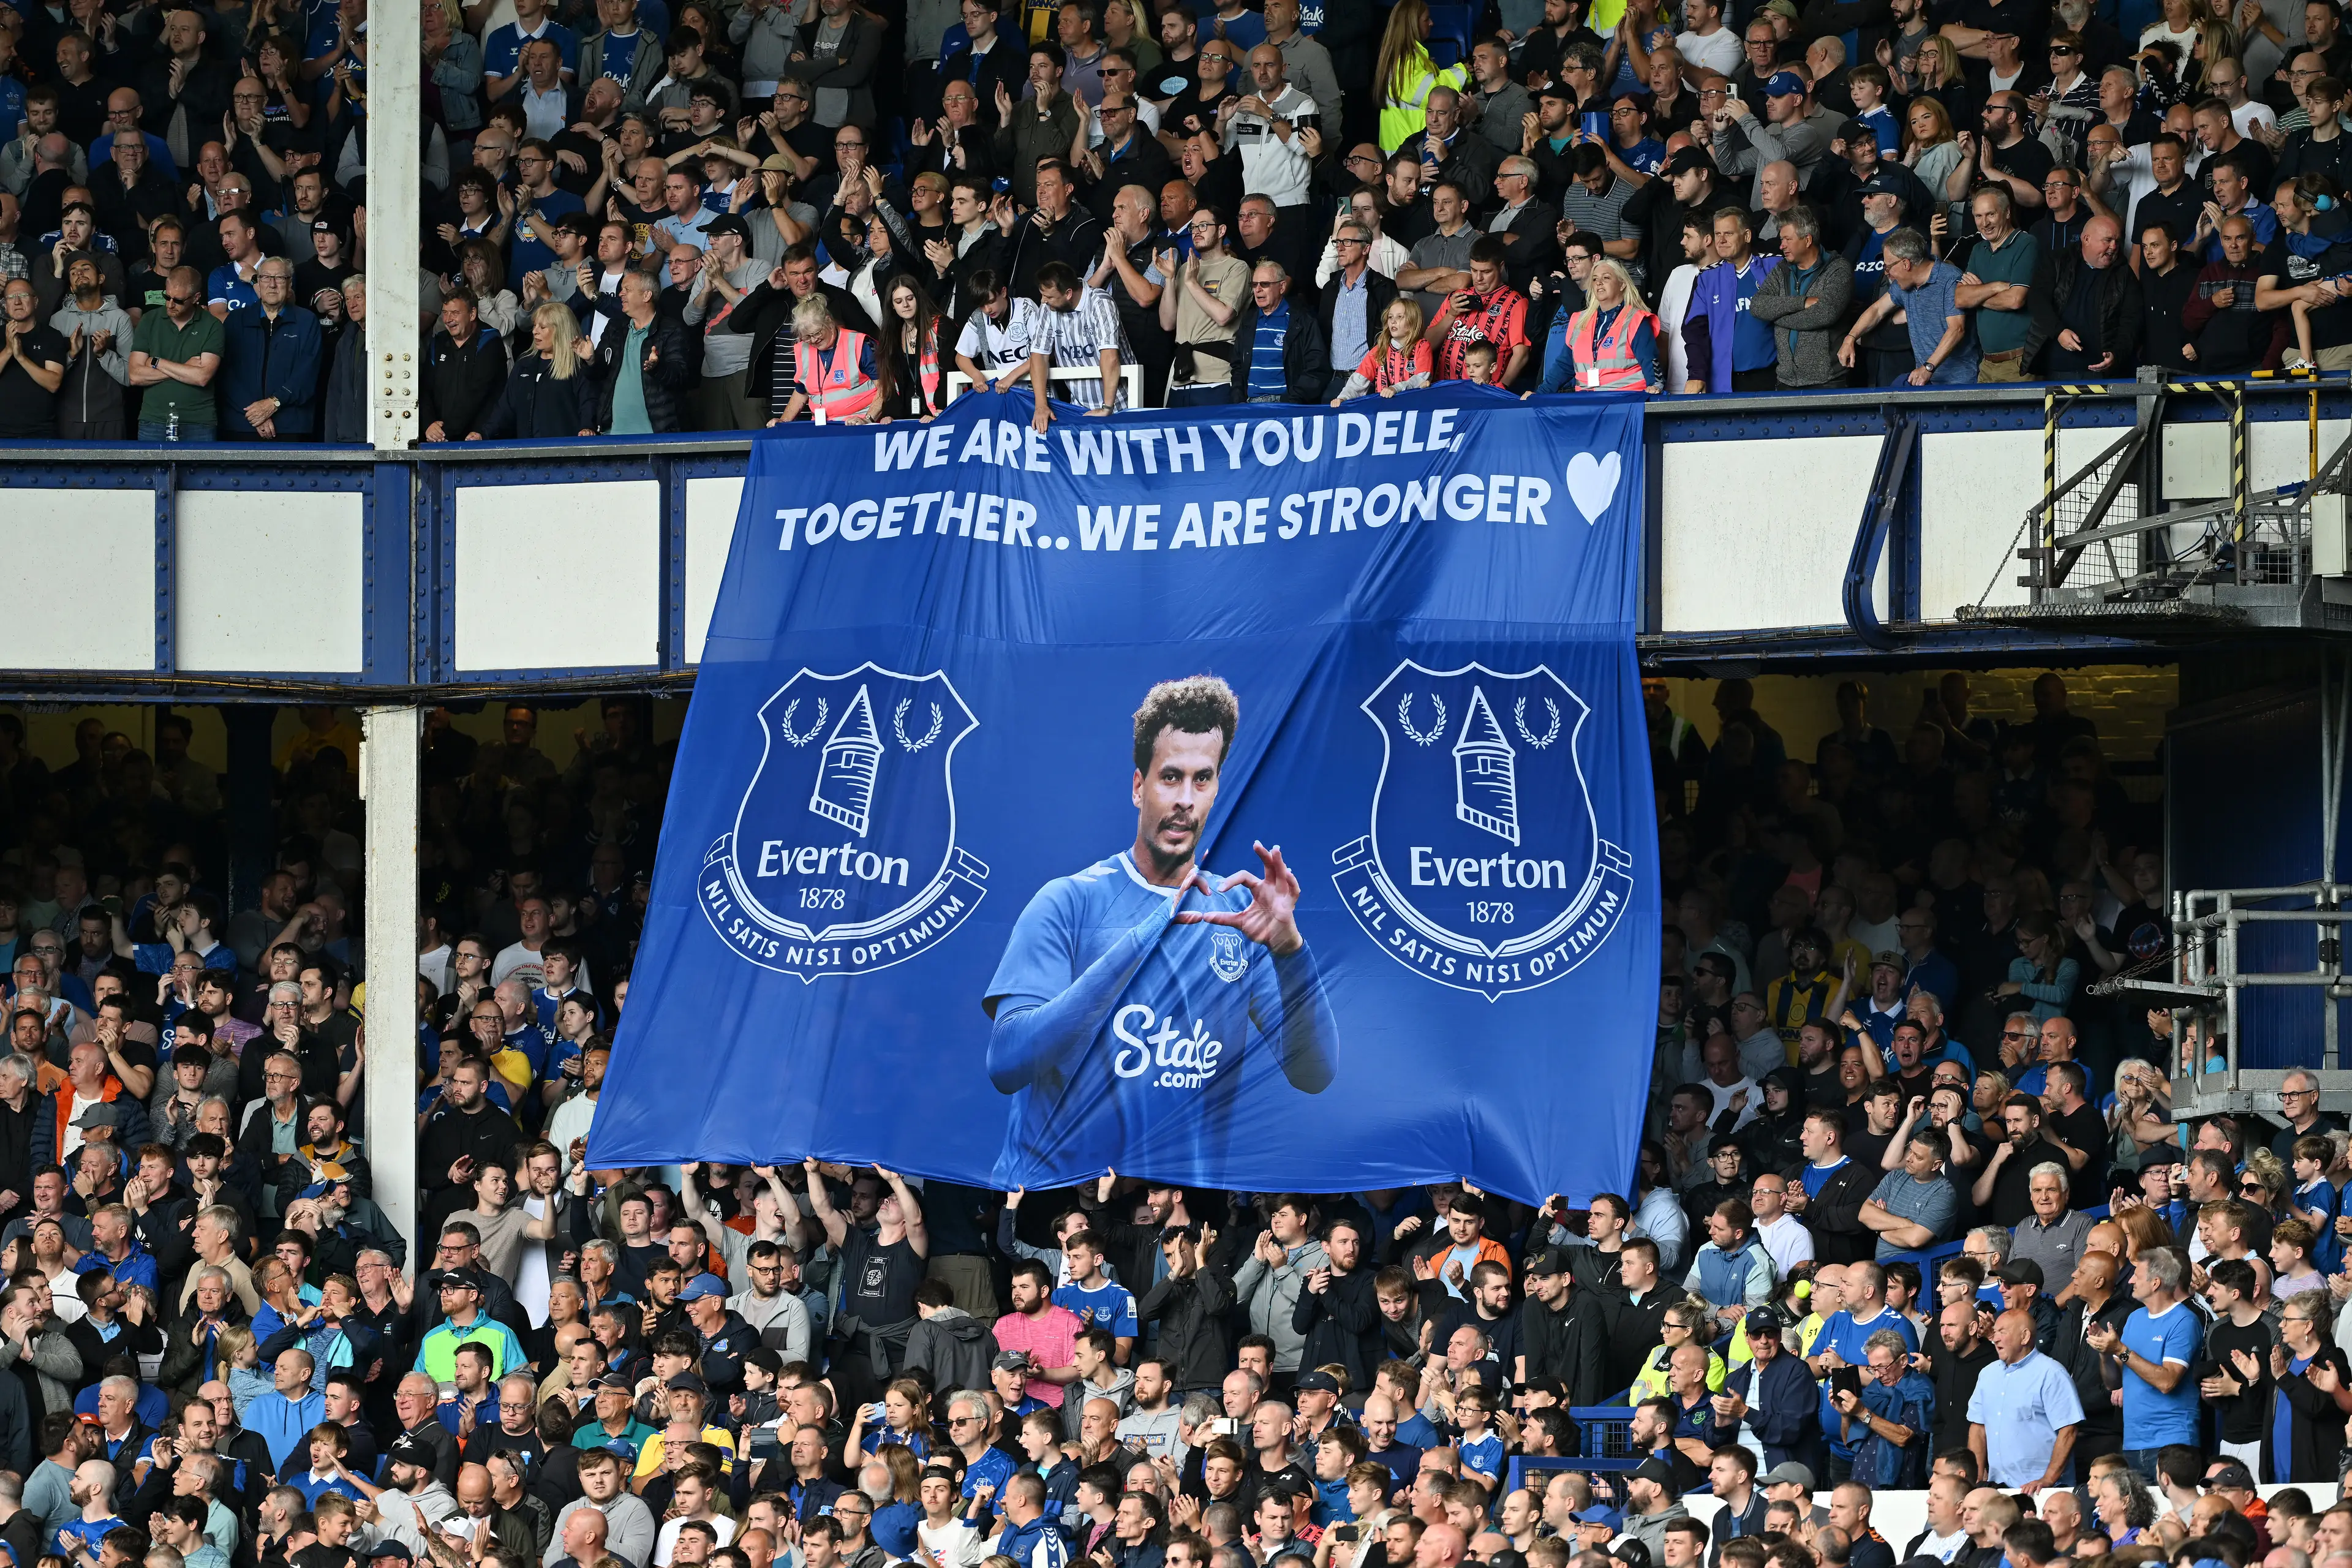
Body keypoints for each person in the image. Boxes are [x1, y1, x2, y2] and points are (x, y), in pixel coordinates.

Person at [984, 676, 1337, 1185]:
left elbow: (1313, 1075)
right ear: (1138, 786)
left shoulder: (1237, 914)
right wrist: (1140, 939)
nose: (1185, 799)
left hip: (1182, 1231)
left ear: (1217, 787)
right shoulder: (1068, 901)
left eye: (1203, 779)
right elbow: (1007, 1061)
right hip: (1061, 1216)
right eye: (1170, 777)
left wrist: (1289, 949)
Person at [217, 257, 322, 439]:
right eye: (265, 277)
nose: (272, 284)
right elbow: (226, 373)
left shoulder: (307, 322)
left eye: (280, 278)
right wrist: (256, 414)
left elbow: (307, 373)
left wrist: (273, 404)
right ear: (258, 282)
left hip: (291, 426)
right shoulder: (237, 320)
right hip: (242, 424)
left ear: (290, 284)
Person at [593, 267, 693, 431]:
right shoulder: (615, 328)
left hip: (655, 433)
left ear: (647, 295)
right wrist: (590, 360)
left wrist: (658, 368)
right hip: (613, 433)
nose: (620, 294)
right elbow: (598, 375)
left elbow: (680, 377)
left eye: (628, 290)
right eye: (622, 289)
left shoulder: (671, 330)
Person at [1222, 259, 1327, 403]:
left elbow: (1317, 367)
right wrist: (1238, 399)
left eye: (1265, 284)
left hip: (1286, 406)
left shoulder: (1302, 321)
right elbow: (1238, 366)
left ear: (1282, 287)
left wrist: (1292, 400)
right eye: (1254, 285)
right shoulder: (1248, 321)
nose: (1258, 290)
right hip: (1250, 405)